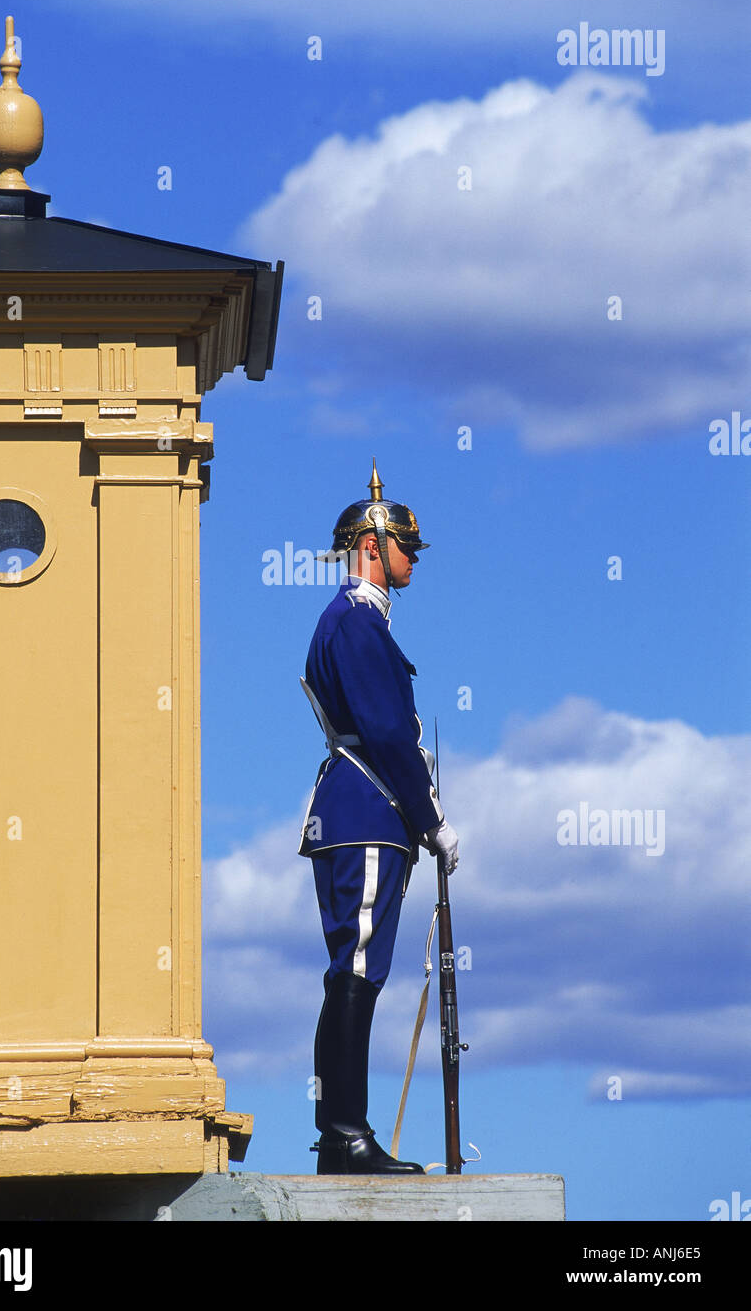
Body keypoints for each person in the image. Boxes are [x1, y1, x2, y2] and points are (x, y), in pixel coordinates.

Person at [298, 461, 460, 1175]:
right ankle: (344, 1135)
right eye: (405, 548)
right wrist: (431, 820)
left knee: (358, 971)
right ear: (372, 544)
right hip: (367, 810)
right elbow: (390, 735)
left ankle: (344, 1130)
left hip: (369, 812)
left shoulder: (362, 624)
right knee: (355, 971)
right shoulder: (356, 625)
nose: (412, 561)